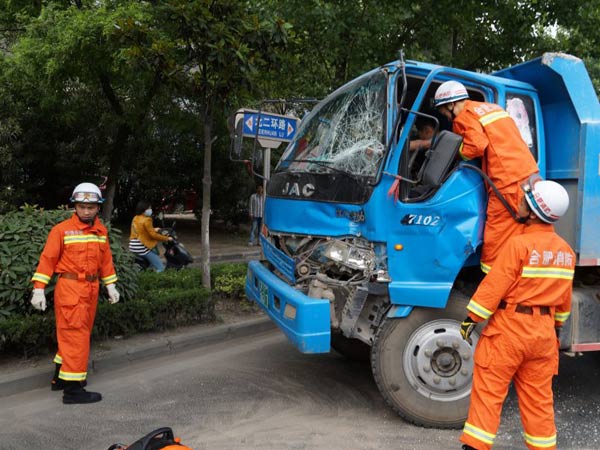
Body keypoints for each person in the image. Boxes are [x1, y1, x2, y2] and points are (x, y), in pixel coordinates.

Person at [458, 178, 574, 450]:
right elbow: (564, 303)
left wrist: (470, 320)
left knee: (489, 392)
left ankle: (475, 446)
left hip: (510, 330)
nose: (518, 204)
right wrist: (554, 328)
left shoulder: (518, 246)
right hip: (544, 336)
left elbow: (494, 287)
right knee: (539, 402)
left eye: (523, 201)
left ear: (533, 213)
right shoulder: (566, 254)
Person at [434, 80, 539, 273]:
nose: (446, 117)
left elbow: (476, 146)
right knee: (524, 233)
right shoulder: (491, 108)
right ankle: (521, 283)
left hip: (507, 179)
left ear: (451, 104)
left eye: (443, 111)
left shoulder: (464, 116)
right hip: (528, 173)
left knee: (496, 236)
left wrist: (455, 154)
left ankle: (493, 285)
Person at [30, 182, 121, 404]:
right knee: (76, 337)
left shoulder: (100, 231)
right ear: (75, 207)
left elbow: (105, 261)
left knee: (76, 334)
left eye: (91, 207)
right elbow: (48, 260)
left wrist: (110, 285)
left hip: (90, 289)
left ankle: (59, 379)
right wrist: (38, 289)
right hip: (71, 289)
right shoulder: (61, 230)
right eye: (82, 206)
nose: (86, 210)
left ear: (98, 207)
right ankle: (72, 391)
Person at [129, 200, 172, 272]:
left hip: (133, 246)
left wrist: (154, 229)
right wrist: (167, 238)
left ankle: (148, 271)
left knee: (150, 266)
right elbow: (153, 235)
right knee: (160, 268)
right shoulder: (147, 220)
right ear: (144, 209)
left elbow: (141, 230)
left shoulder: (135, 218)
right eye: (149, 208)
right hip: (141, 247)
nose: (150, 210)